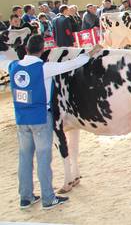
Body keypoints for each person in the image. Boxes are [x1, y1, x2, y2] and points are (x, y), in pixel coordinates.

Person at [2, 35, 102, 210]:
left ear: (26, 49)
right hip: (40, 118)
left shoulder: (13, 66)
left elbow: (2, 59)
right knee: (43, 158)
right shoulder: (44, 68)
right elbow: (72, 64)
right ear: (42, 50)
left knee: (24, 158)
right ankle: (48, 198)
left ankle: (25, 197)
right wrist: (90, 53)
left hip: (21, 119)